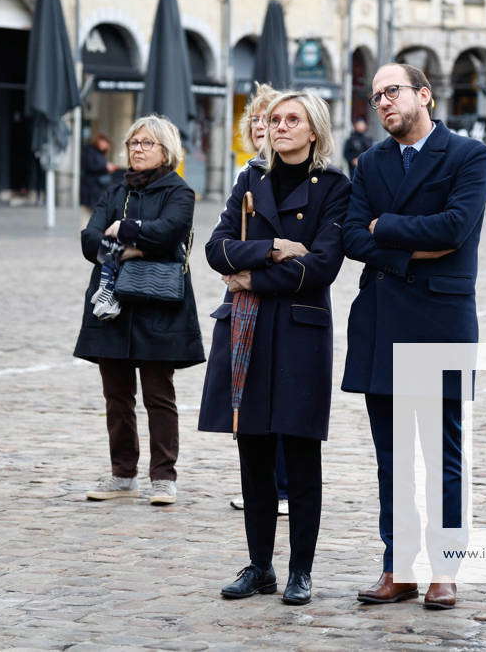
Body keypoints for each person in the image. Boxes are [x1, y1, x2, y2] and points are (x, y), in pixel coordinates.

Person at [341, 63, 486, 610]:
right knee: (392, 457)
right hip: (382, 322)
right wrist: (405, 242)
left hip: (439, 323)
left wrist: (387, 228)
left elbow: (455, 228)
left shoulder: (468, 155)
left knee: (441, 453)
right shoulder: (369, 162)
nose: (383, 102)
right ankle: (398, 566)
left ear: (423, 95)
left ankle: (445, 570)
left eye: (393, 91)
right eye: (376, 95)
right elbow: (355, 237)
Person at [199, 91, 349, 606]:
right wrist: (273, 248)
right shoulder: (249, 179)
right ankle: (259, 566)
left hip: (301, 333)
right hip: (248, 330)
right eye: (274, 119)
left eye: (292, 120)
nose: (279, 126)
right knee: (253, 453)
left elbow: (324, 265)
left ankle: (300, 571)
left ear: (314, 131)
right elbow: (216, 248)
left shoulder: (332, 186)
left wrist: (250, 275)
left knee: (302, 455)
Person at [75, 115, 205, 506]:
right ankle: (122, 472)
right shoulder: (115, 190)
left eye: (147, 143)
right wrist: (133, 241)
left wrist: (124, 231)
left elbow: (169, 233)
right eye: (133, 142)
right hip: (111, 305)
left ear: (166, 150)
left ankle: (163, 476)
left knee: (158, 395)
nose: (138, 149)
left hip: (158, 305)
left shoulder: (180, 192)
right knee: (116, 396)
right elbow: (88, 240)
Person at [227, 81, 290, 517]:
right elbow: (219, 245)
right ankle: (259, 485)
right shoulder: (246, 174)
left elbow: (306, 254)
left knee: (282, 394)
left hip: (279, 298)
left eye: (266, 120)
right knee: (245, 394)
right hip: (240, 294)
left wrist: (257, 261)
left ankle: (282, 485)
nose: (260, 127)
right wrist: (256, 255)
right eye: (255, 120)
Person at [80, 132, 117, 211]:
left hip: (98, 189)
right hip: (90, 188)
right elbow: (90, 166)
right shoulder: (89, 150)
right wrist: (105, 167)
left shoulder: (101, 153)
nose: (105, 145)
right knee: (87, 214)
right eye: (104, 142)